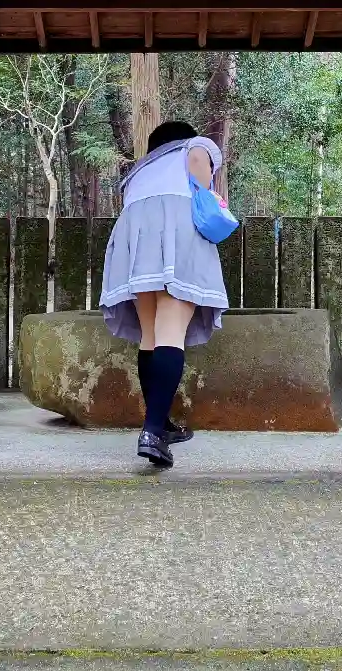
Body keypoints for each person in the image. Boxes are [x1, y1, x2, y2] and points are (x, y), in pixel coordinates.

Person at [99, 120, 230, 467]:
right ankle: (153, 432)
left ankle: (161, 424)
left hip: (136, 243)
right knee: (171, 332)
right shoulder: (194, 147)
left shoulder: (139, 172)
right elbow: (201, 180)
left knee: (151, 335)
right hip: (176, 233)